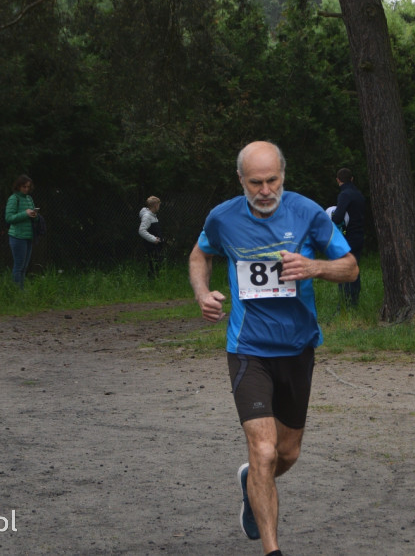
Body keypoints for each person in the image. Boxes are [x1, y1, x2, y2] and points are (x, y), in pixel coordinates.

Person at [189, 141, 358, 556]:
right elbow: (199, 255)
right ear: (241, 182)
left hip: (298, 347)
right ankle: (272, 550)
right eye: (256, 183)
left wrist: (315, 267)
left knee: (286, 453)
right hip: (249, 348)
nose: (265, 191)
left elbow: (351, 267)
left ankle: (252, 481)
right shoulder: (222, 218)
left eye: (272, 180)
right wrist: (202, 294)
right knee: (263, 449)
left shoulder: (308, 212)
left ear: (283, 176)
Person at [330, 167, 365, 306]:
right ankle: (354, 302)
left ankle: (344, 304)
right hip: (359, 236)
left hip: (347, 237)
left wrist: (332, 216)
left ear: (338, 180)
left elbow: (338, 217)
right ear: (352, 179)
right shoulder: (359, 194)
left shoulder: (345, 195)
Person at [5, 175, 37, 288]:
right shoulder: (14, 198)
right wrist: (25, 214)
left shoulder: (29, 199)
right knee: (19, 266)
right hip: (17, 236)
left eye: (28, 187)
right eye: (24, 187)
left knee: (24, 267)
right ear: (18, 186)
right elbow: (9, 218)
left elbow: (31, 216)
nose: (26, 189)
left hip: (29, 235)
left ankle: (21, 290)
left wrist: (34, 215)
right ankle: (17, 291)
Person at [138, 196, 164, 278]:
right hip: (151, 246)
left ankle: (155, 280)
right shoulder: (147, 216)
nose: (159, 207)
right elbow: (141, 230)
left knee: (157, 263)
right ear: (155, 205)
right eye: (159, 205)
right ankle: (152, 281)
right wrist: (153, 239)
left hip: (156, 245)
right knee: (153, 264)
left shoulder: (153, 216)